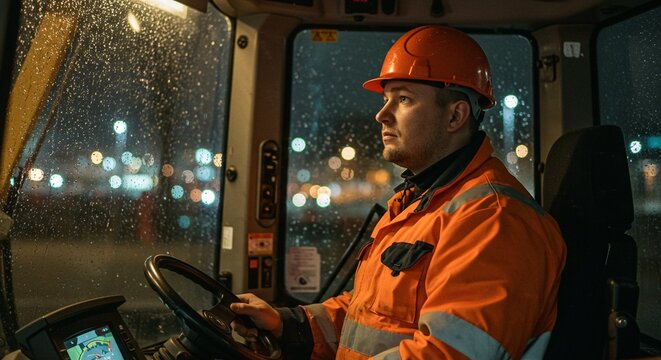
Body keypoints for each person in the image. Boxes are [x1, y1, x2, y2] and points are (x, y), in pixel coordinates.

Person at [230, 25, 566, 359]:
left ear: (455, 115)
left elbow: (449, 353)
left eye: (403, 99)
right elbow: (372, 316)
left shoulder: (494, 219)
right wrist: (288, 325)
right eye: (385, 99)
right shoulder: (420, 204)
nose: (381, 115)